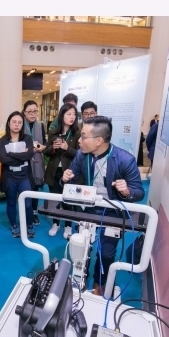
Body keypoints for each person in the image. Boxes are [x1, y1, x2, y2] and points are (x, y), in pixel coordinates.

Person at [61, 115, 145, 295]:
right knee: (81, 247)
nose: (79, 140)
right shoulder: (81, 155)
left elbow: (139, 192)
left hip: (112, 211)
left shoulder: (125, 159)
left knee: (106, 253)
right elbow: (70, 180)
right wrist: (66, 178)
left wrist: (127, 191)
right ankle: (79, 281)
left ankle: (100, 283)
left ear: (99, 141)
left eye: (84, 136)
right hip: (88, 208)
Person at [0, 111, 36, 238]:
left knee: (28, 204)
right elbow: (4, 159)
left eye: (19, 122)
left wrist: (11, 154)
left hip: (24, 177)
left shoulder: (27, 138)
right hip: (10, 177)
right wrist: (21, 156)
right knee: (11, 203)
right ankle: (14, 225)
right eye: (14, 122)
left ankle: (29, 224)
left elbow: (29, 155)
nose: (17, 125)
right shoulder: (3, 140)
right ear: (9, 123)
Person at [44, 103, 80, 239]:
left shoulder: (77, 133)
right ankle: (56, 223)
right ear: (62, 116)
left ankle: (68, 226)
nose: (72, 117)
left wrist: (67, 148)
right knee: (55, 200)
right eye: (69, 114)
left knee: (68, 201)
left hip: (69, 173)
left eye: (74, 114)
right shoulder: (53, 132)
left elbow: (80, 155)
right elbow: (46, 152)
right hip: (54, 172)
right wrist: (53, 148)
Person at [23, 100, 46, 226]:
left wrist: (43, 147)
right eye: (29, 112)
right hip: (24, 160)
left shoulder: (40, 125)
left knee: (36, 188)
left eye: (35, 111)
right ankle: (26, 212)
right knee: (26, 187)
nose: (32, 114)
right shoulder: (21, 125)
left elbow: (45, 143)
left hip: (37, 160)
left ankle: (34, 212)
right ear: (24, 112)